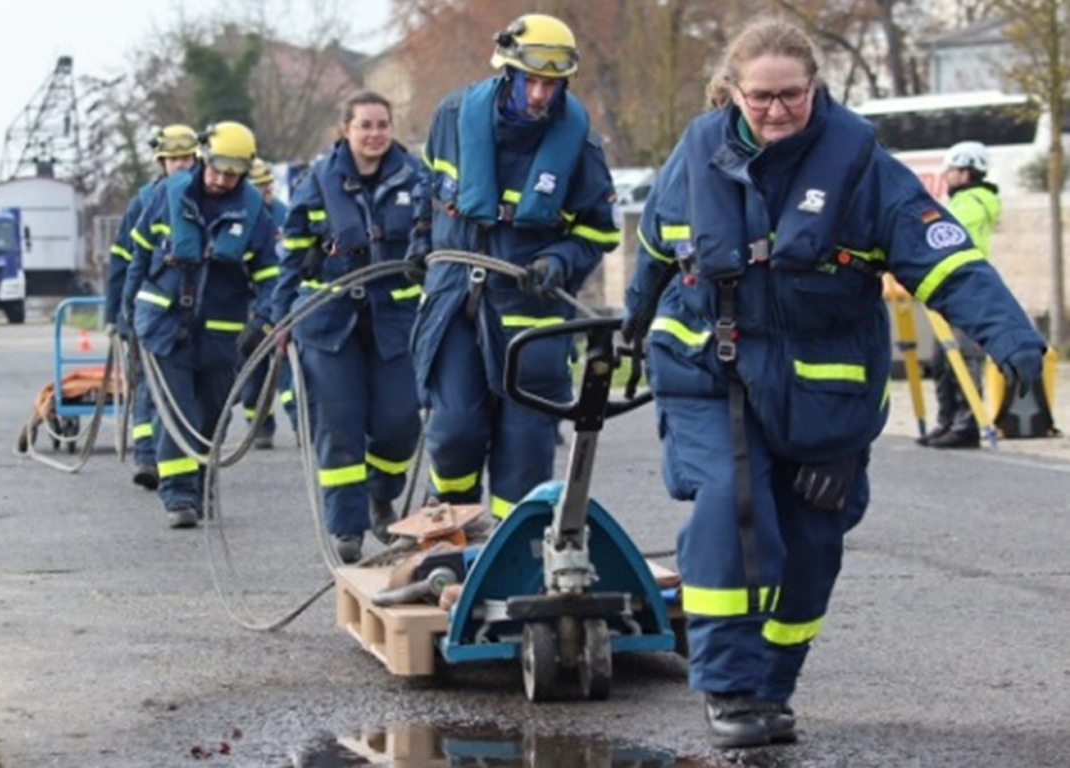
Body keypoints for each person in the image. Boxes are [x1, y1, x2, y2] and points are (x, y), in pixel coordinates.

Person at [621, 17, 1046, 750]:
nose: (778, 110)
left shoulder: (864, 173)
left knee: (812, 545)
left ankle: (772, 685)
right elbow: (655, 257)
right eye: (761, 98)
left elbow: (949, 262)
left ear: (816, 88)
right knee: (731, 506)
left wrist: (1012, 342)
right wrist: (628, 330)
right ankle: (727, 687)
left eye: (793, 94)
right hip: (706, 372)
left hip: (822, 392)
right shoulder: (693, 162)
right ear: (731, 93)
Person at [409, 13, 620, 521]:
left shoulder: (581, 147)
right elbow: (427, 189)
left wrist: (559, 259)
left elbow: (599, 231)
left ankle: (509, 549)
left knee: (525, 450)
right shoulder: (452, 117)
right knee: (455, 430)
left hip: (533, 314)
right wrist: (420, 242)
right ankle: (449, 519)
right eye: (533, 82)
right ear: (508, 71)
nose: (540, 97)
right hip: (455, 300)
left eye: (553, 85)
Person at [272, 91, 424, 564]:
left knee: (400, 423)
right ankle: (347, 527)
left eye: (382, 124)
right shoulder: (317, 183)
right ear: (346, 129)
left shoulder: (416, 179)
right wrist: (280, 320)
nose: (374, 133)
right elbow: (291, 257)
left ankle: (382, 493)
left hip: (395, 325)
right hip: (329, 325)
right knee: (339, 426)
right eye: (365, 125)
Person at [125, 121, 279, 529]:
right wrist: (126, 315)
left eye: (232, 174)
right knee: (178, 413)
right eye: (216, 169)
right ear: (203, 159)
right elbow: (138, 256)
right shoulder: (166, 195)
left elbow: (269, 274)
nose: (222, 180)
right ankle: (178, 496)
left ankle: (201, 478)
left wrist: (264, 320)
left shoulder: (253, 213)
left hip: (221, 330)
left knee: (214, 412)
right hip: (163, 323)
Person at [109, 124, 198, 490]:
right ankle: (146, 456)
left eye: (186, 157)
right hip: (152, 310)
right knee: (147, 383)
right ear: (161, 161)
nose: (180, 164)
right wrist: (117, 313)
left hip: (198, 313)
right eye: (173, 158)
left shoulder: (207, 196)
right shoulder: (145, 200)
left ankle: (182, 458)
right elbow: (122, 258)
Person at [918, 141, 1000, 449]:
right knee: (942, 359)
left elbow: (945, 235)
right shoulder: (963, 201)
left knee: (963, 358)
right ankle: (947, 421)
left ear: (966, 172)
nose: (947, 175)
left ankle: (966, 426)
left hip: (966, 289)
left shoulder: (973, 202)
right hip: (949, 288)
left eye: (951, 170)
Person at [240, 158, 298, 449]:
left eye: (267, 184)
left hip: (278, 303)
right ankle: (260, 426)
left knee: (288, 370)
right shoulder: (240, 214)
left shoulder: (281, 213)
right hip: (248, 308)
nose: (265, 190)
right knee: (254, 375)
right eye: (258, 185)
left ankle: (303, 425)